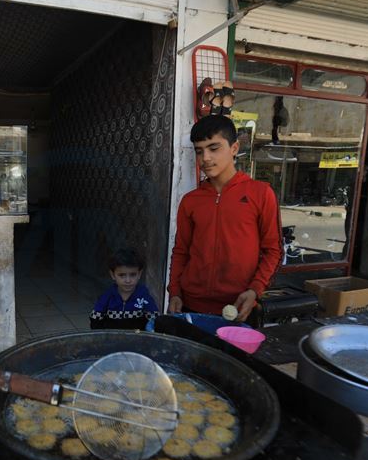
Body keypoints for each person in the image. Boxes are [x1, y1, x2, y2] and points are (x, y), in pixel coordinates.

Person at [168, 115, 282, 321]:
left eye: (214, 148)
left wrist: (255, 290)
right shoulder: (190, 201)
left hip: (240, 306)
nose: (206, 158)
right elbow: (181, 251)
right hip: (191, 305)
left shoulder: (261, 193)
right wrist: (174, 291)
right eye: (199, 151)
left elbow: (273, 251)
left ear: (234, 148)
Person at [90, 248, 159, 330]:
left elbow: (154, 320)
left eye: (133, 275)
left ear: (139, 274)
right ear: (113, 275)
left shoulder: (144, 296)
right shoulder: (107, 296)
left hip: (137, 339)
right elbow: (95, 320)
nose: (128, 280)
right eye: (122, 275)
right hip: (112, 339)